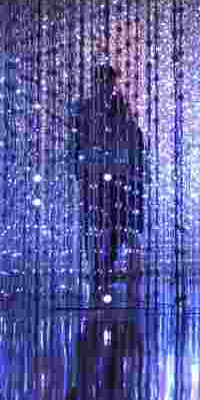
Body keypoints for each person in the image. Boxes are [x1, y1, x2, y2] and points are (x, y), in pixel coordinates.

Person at [71, 65, 146, 301]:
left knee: (111, 224)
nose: (108, 87)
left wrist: (135, 165)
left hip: (114, 175)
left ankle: (104, 268)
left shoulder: (119, 107)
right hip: (96, 175)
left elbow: (134, 135)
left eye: (110, 83)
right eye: (105, 83)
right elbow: (76, 141)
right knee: (96, 223)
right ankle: (98, 269)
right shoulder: (84, 109)